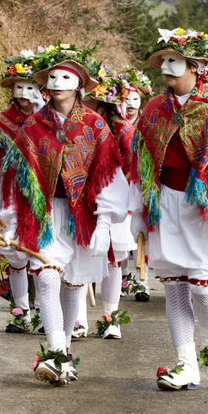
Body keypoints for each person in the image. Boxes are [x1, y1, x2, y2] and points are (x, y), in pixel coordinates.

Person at [0, 45, 130, 385]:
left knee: (73, 283)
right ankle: (55, 352)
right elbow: (19, 176)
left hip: (82, 216)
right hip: (43, 214)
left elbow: (108, 175)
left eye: (66, 78)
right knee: (46, 277)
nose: (58, 83)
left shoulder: (95, 125)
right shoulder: (33, 126)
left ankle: (66, 353)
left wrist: (104, 223)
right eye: (53, 77)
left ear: (79, 85)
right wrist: (11, 220)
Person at [135, 28, 208, 390]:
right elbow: (141, 161)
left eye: (175, 61)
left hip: (202, 207)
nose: (166, 68)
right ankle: (185, 363)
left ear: (195, 67)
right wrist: (139, 211)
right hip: (164, 203)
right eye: (164, 61)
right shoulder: (154, 108)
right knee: (174, 287)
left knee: (203, 286)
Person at [0, 50, 47, 333]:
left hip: (44, 193)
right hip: (10, 193)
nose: (24, 93)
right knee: (14, 253)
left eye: (30, 87)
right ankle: (22, 313)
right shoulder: (0, 124)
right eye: (19, 87)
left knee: (43, 254)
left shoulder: (50, 120)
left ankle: (49, 314)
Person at [83, 63, 139, 338]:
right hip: (78, 197)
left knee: (113, 257)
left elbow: (133, 164)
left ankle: (110, 317)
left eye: (88, 97)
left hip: (114, 197)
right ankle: (78, 320)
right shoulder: (74, 122)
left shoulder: (123, 130)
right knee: (79, 256)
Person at [121, 67, 152, 301]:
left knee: (141, 234)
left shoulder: (147, 123)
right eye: (126, 99)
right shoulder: (111, 124)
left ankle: (142, 282)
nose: (130, 104)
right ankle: (121, 281)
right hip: (118, 184)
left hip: (139, 182)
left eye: (135, 99)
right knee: (119, 236)